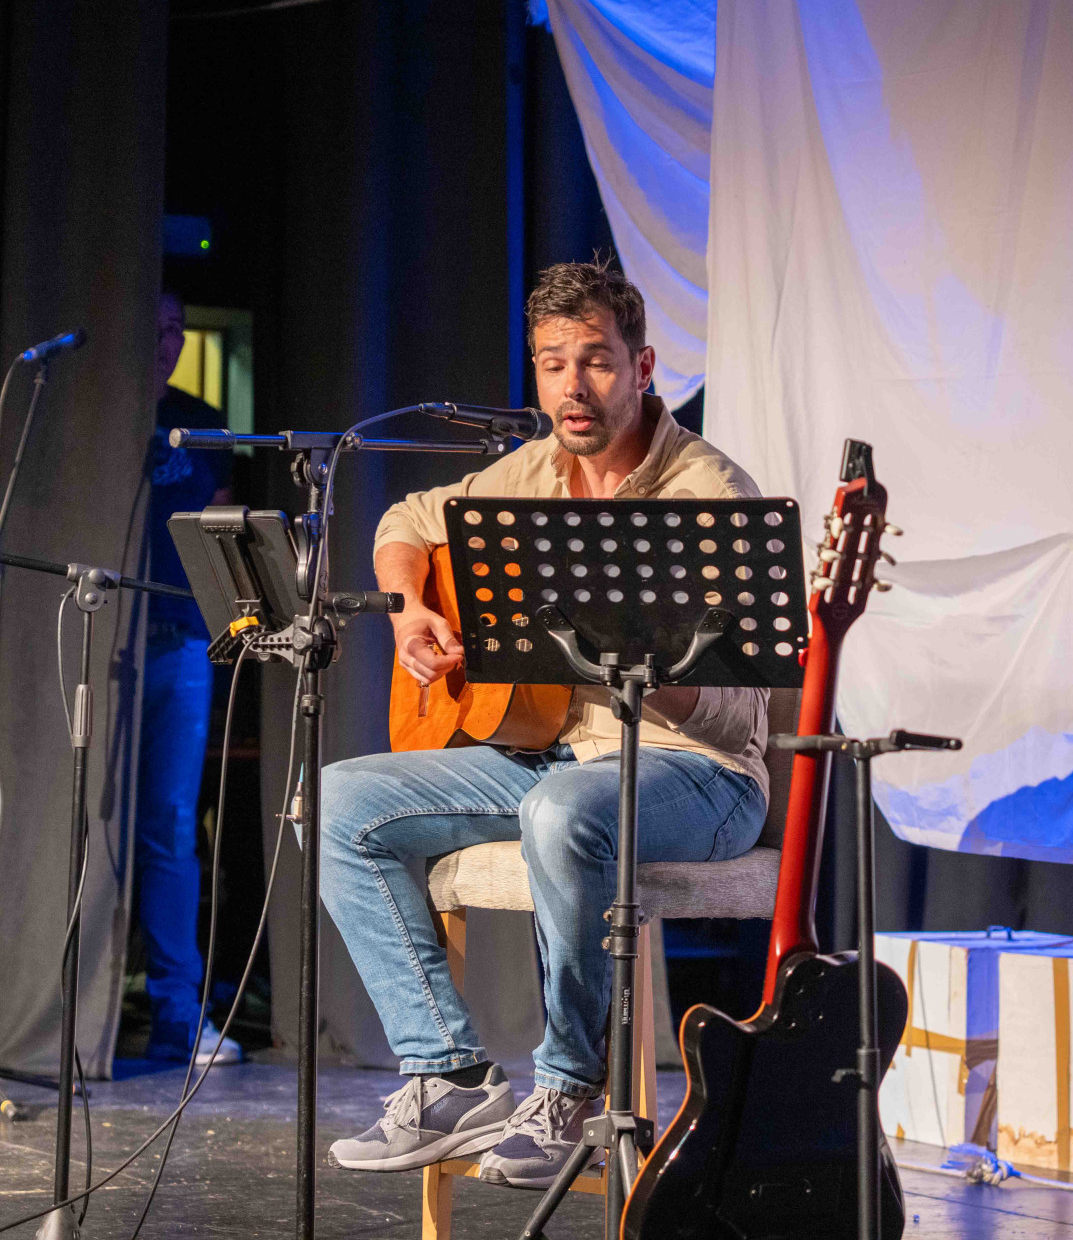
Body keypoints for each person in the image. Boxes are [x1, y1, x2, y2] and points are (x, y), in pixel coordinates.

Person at [321, 263, 769, 1187]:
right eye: (552, 363)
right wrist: (409, 609)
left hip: (700, 775)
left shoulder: (707, 492)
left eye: (596, 361)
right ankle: (447, 1075)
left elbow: (732, 718)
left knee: (561, 811)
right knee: (340, 803)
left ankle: (569, 1089)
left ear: (642, 366)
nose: (573, 386)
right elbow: (407, 518)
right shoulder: (535, 471)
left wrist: (634, 664)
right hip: (559, 760)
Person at [136, 292, 243, 1067]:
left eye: (177, 329)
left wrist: (229, 628)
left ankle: (177, 1015)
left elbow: (223, 535)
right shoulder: (94, 419)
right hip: (101, 636)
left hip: (179, 645)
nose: (167, 341)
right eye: (154, 327)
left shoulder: (202, 422)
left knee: (172, 827)